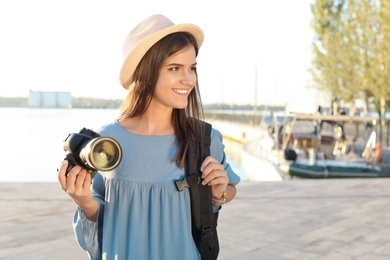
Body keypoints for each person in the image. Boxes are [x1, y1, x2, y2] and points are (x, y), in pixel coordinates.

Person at [57, 14, 240, 260]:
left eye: (192, 68)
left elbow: (228, 190)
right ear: (147, 71)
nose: (188, 79)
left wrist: (220, 192)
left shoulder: (204, 139)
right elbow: (97, 223)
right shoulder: (106, 143)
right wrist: (83, 201)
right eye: (175, 68)